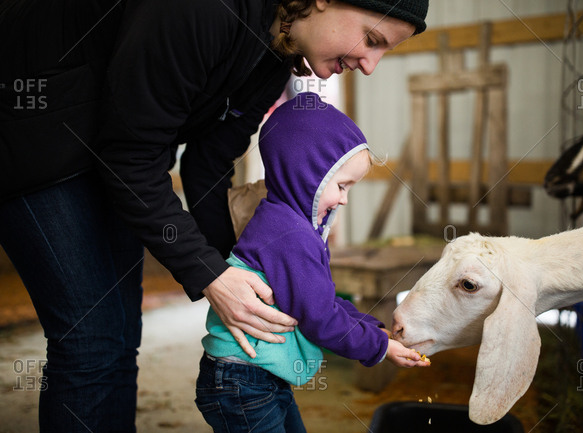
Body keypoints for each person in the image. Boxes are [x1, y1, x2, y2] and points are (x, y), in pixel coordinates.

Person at [0, 0, 428, 431]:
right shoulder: (200, 9)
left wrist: (242, 269)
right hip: (37, 140)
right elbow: (131, 157)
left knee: (119, 338)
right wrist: (210, 275)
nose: (370, 65)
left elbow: (210, 159)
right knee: (92, 342)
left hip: (107, 148)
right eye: (372, 40)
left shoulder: (277, 47)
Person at [196, 92, 430, 433]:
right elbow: (320, 320)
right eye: (342, 185)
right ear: (308, 176)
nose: (345, 200)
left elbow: (323, 300)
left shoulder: (288, 223)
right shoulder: (290, 235)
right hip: (242, 380)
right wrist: (379, 348)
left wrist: (375, 330)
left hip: (254, 375)